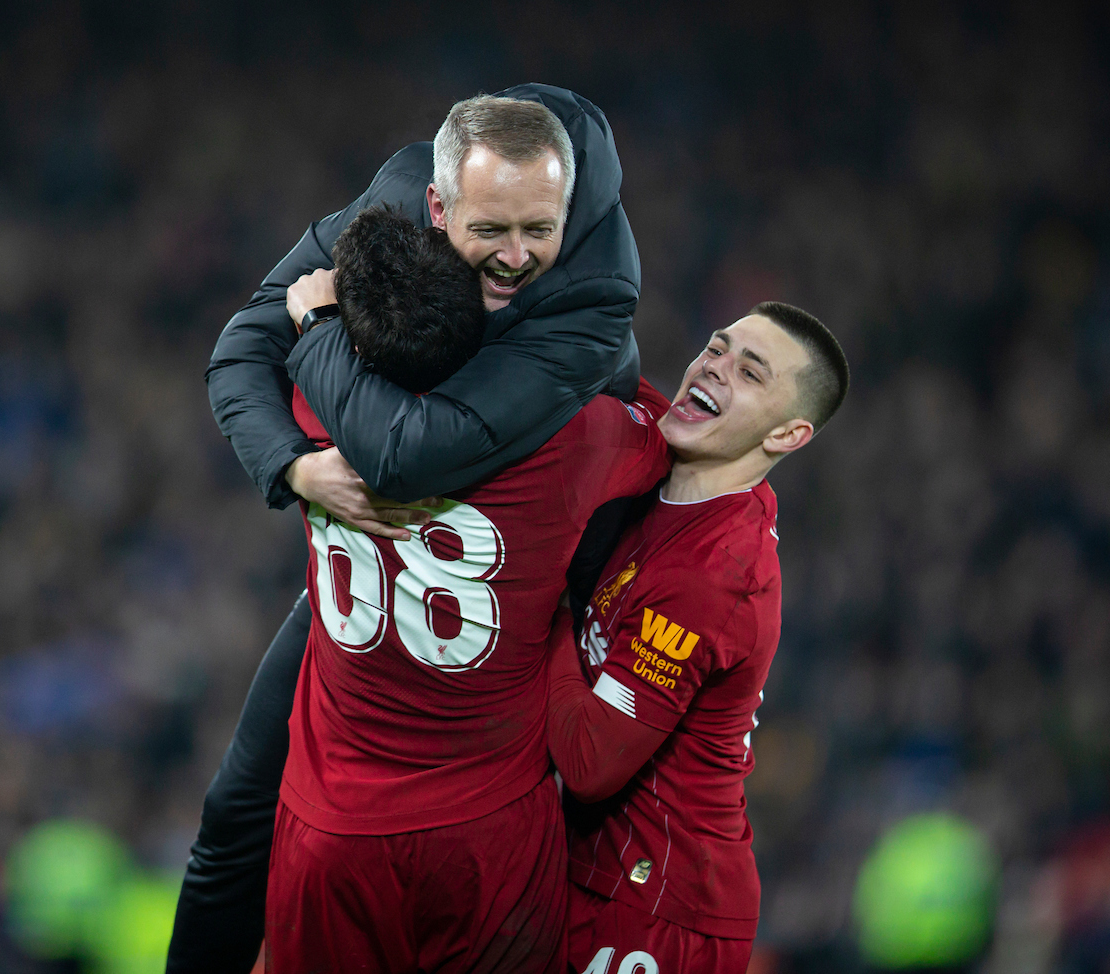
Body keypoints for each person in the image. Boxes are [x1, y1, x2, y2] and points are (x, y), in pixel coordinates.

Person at [169, 86, 641, 974]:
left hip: (528, 598)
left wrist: (317, 331)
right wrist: (296, 469)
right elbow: (239, 347)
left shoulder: (595, 295)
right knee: (237, 814)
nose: (515, 257)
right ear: (435, 204)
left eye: (539, 228)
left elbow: (406, 459)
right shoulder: (388, 201)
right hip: (384, 582)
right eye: (489, 230)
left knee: (568, 825)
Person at [267, 205, 671, 972]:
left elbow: (332, 356)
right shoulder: (576, 439)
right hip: (487, 834)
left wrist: (318, 320)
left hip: (333, 826)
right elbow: (666, 435)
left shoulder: (314, 411)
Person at [545, 303, 850, 974]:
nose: (715, 367)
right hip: (595, 873)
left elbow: (590, 761)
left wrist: (543, 608)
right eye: (717, 348)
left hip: (655, 910)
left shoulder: (713, 573)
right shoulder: (673, 455)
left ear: (787, 434)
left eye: (750, 371)